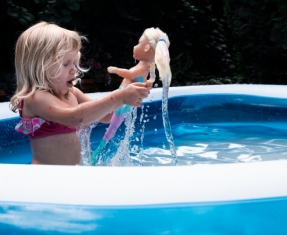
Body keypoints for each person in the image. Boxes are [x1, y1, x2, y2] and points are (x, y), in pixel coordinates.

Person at [10, 22, 151, 165]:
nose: (73, 70)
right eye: (65, 64)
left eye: (74, 63)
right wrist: (119, 97)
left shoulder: (72, 93)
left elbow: (106, 115)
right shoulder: (36, 98)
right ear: (39, 67)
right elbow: (76, 117)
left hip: (73, 176)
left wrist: (127, 89)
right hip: (47, 179)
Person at [89, 28, 171, 164]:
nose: (135, 47)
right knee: (110, 125)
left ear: (146, 48)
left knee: (107, 123)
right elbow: (150, 80)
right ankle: (98, 148)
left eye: (138, 44)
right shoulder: (149, 67)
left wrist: (115, 70)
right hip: (127, 102)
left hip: (124, 102)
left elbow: (129, 74)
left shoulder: (142, 67)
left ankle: (96, 152)